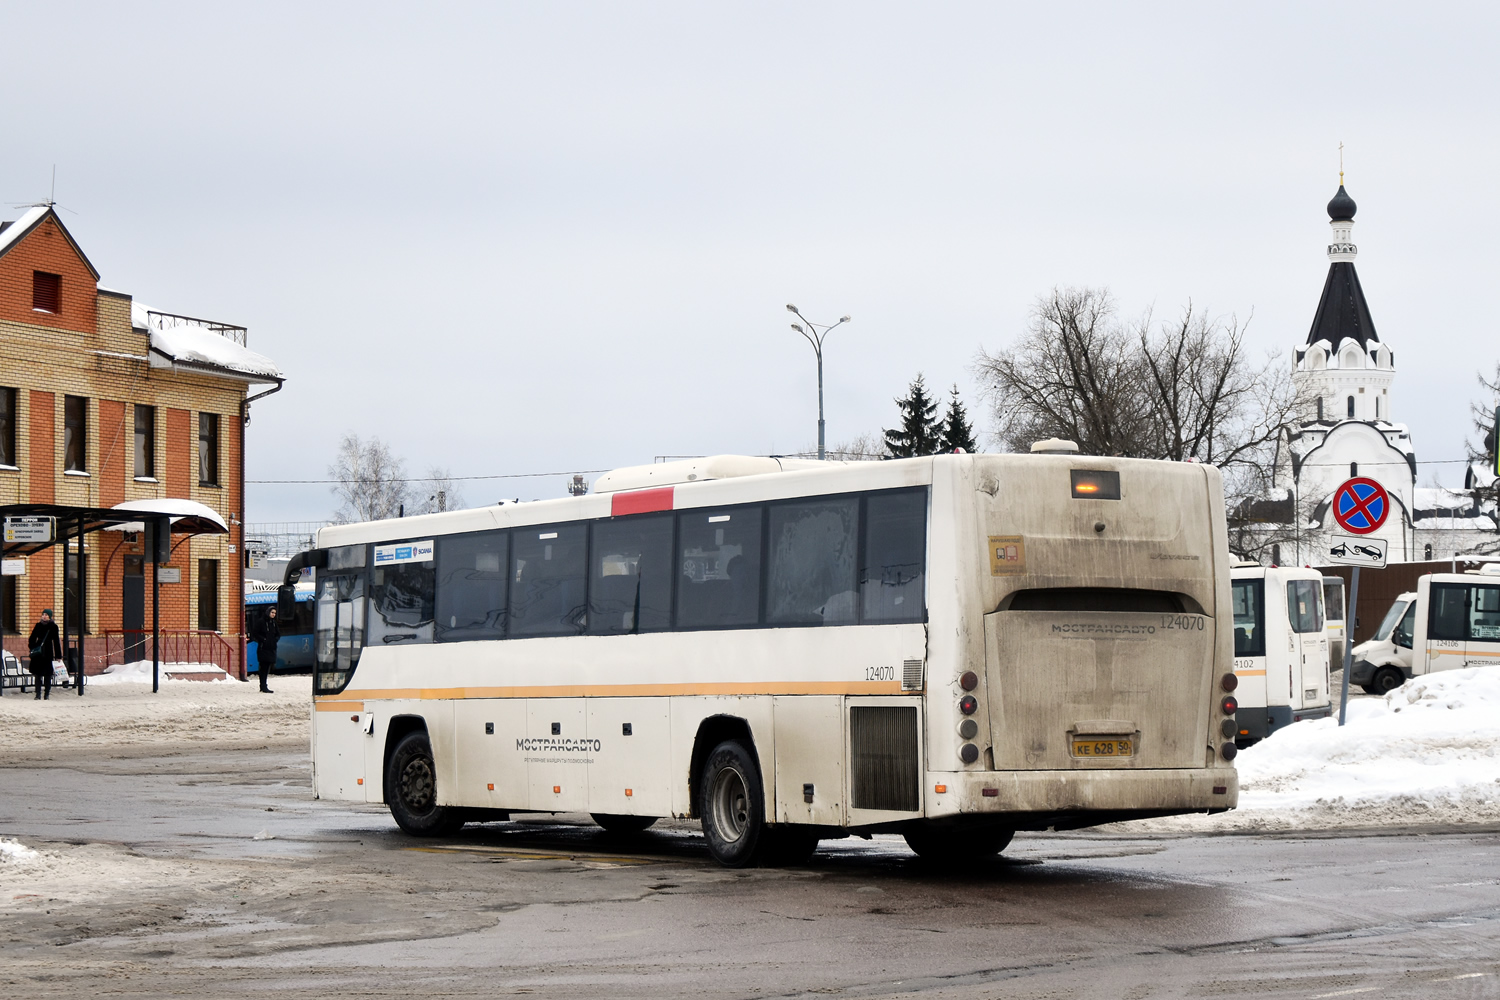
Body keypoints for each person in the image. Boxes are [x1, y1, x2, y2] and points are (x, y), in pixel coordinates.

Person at [27, 609, 62, 701]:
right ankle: (37, 694)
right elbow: (32, 638)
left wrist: (58, 655)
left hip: (48, 652)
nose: (44, 616)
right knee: (38, 674)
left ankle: (46, 694)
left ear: (50, 616)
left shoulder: (53, 627)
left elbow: (56, 641)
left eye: (46, 615)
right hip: (38, 653)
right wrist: (33, 647)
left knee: (47, 675)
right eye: (43, 614)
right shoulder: (38, 625)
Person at [251, 605, 279, 694]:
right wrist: (263, 640)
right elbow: (255, 633)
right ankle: (263, 686)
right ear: (268, 612)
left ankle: (264, 685)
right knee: (263, 667)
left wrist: (275, 640)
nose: (273, 614)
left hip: (271, 648)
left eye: (275, 613)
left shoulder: (274, 623)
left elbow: (278, 634)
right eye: (272, 612)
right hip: (263, 648)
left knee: (267, 667)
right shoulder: (261, 622)